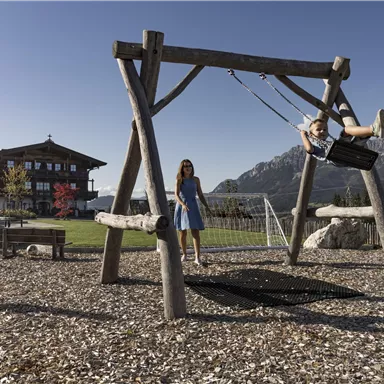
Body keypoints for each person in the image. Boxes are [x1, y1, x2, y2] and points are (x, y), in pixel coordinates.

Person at [300, 109, 384, 165]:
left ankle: (375, 131)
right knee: (347, 130)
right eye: (318, 129)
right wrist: (303, 135)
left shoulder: (327, 143)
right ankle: (374, 129)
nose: (322, 131)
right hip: (336, 157)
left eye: (325, 129)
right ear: (311, 134)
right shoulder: (313, 144)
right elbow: (309, 149)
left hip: (343, 151)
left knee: (353, 135)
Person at [174, 159, 211, 266]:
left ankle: (197, 257)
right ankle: (184, 254)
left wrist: (206, 206)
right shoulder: (179, 180)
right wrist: (183, 204)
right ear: (182, 168)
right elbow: (176, 195)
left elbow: (200, 194)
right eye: (186, 166)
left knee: (195, 232)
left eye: (190, 166)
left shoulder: (196, 180)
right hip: (182, 206)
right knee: (182, 232)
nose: (188, 168)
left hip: (193, 206)